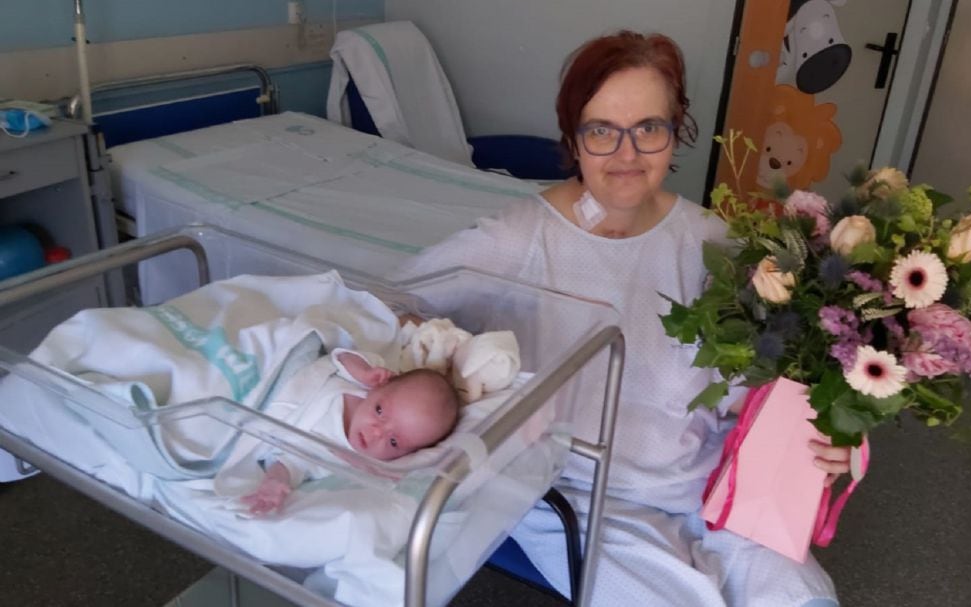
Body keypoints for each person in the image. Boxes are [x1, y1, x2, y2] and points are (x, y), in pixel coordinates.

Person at [391, 30, 851, 606]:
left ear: (674, 129)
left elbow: (753, 384)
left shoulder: (715, 242)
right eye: (602, 130)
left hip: (713, 487)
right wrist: (443, 392)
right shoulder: (518, 240)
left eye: (648, 129)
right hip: (580, 495)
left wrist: (823, 440)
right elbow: (395, 302)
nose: (627, 155)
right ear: (573, 137)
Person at [239, 350, 460, 516]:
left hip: (253, 408)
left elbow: (289, 462)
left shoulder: (338, 455)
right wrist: (364, 372)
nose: (376, 432)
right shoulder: (363, 382)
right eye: (380, 410)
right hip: (276, 370)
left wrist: (274, 483)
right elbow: (340, 356)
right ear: (380, 387)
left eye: (393, 442)